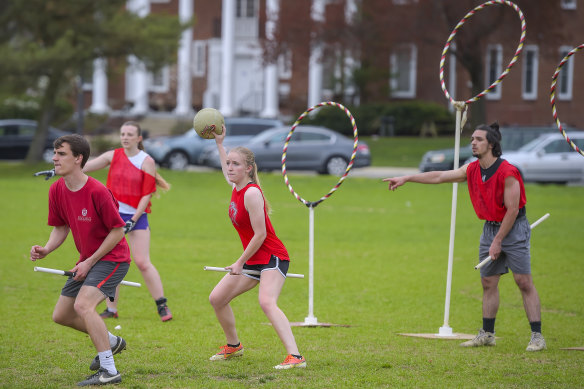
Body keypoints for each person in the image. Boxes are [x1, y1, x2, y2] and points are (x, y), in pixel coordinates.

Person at [383, 122, 546, 352]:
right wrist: (407, 178)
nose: (473, 143)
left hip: (513, 228)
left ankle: (537, 336)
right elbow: (440, 176)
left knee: (523, 282)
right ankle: (487, 334)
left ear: (491, 144)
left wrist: (499, 240)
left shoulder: (508, 172)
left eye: (478, 139)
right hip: (490, 228)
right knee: (488, 282)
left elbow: (513, 210)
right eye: (472, 139)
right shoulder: (471, 169)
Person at [30, 134, 130, 386]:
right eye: (54, 152)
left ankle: (109, 370)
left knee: (83, 306)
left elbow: (117, 231)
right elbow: (60, 227)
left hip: (113, 258)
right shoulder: (57, 189)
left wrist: (89, 261)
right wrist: (47, 249)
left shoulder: (97, 190)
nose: (54, 158)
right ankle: (113, 341)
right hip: (87, 260)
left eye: (61, 153)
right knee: (61, 315)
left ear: (78, 158)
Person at [208, 126, 306, 369]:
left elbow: (261, 234)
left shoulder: (252, 193)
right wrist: (220, 144)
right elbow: (224, 168)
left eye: (235, 164)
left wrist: (240, 261)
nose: (230, 168)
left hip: (272, 256)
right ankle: (234, 346)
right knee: (217, 298)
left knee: (267, 302)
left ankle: (296, 357)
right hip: (253, 259)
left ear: (248, 169)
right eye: (228, 163)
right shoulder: (236, 187)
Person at [82, 121, 172, 322]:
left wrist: (133, 219)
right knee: (111, 260)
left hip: (136, 217)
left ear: (138, 138)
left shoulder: (146, 160)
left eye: (130, 134)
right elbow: (85, 167)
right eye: (122, 133)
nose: (125, 137)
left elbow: (147, 193)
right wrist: (61, 168)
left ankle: (162, 305)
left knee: (142, 261)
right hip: (112, 216)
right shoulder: (112, 155)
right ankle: (111, 309)